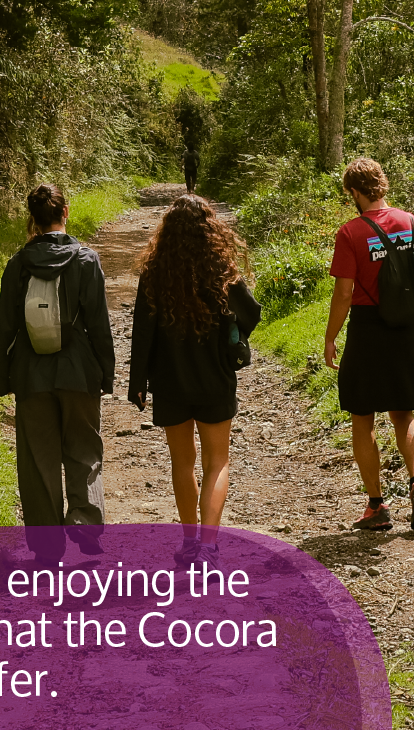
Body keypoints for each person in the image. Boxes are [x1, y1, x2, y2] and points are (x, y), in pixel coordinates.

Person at [128, 195, 260, 556]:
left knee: (182, 462)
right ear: (209, 228)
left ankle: (188, 543)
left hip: (169, 379)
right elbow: (251, 313)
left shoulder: (154, 271)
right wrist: (231, 334)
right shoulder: (220, 268)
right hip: (214, 374)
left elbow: (142, 331)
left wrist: (137, 382)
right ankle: (209, 546)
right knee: (217, 462)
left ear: (167, 231)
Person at [0, 183, 114, 544]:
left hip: (31, 375)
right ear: (65, 213)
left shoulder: (18, 264)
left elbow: (6, 327)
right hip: (79, 372)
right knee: (84, 448)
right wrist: (105, 375)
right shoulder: (86, 260)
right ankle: (84, 522)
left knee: (37, 461)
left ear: (33, 218)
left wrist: (5, 377)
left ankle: (46, 546)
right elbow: (99, 325)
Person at [323, 156, 414, 532]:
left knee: (362, 416)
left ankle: (377, 506)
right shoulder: (412, 223)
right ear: (382, 184)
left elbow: (344, 293)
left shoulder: (350, 233)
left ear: (355, 192)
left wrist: (330, 337)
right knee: (404, 414)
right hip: (404, 326)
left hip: (367, 328)